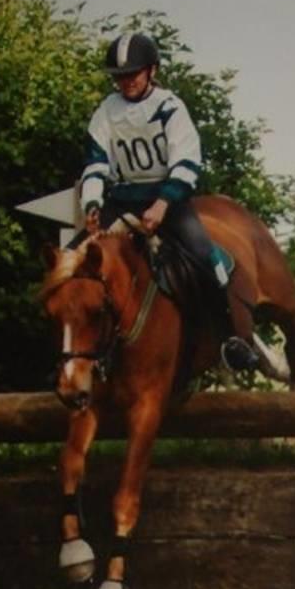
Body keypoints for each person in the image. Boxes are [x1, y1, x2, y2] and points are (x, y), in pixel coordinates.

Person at [77, 32, 259, 373]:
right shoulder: (106, 111)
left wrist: (162, 204)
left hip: (169, 199)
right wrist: (92, 204)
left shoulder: (170, 107)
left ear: (152, 70)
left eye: (133, 73)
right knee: (74, 262)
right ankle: (79, 354)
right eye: (120, 76)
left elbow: (186, 162)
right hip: (123, 199)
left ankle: (230, 340)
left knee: (204, 257)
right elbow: (95, 164)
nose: (126, 81)